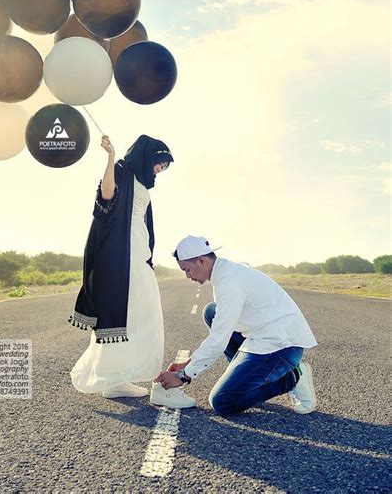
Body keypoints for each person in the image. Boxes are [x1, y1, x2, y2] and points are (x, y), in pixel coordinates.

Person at [152, 235, 317, 415]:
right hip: (264, 334)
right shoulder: (226, 271)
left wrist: (183, 376)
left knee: (223, 401)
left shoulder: (228, 281)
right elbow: (222, 327)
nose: (187, 276)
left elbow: (218, 339)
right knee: (212, 312)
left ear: (201, 260)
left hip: (281, 346)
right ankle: (245, 382)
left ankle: (291, 378)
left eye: (188, 269)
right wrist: (188, 363)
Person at [69, 133, 173, 399]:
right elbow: (106, 196)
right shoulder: (122, 171)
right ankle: (112, 381)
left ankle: (119, 377)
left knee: (142, 316)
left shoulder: (141, 183)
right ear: (147, 156)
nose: (160, 169)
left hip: (139, 257)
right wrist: (111, 158)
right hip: (121, 258)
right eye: (159, 163)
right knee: (124, 316)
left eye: (164, 167)